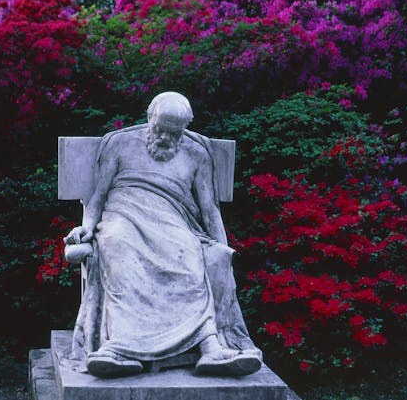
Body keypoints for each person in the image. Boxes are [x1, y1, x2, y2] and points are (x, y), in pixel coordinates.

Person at [64, 91, 261, 377]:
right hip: (124, 216)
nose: (167, 139)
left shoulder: (196, 153)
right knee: (119, 250)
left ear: (185, 128)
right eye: (161, 130)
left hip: (173, 222)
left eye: (175, 133)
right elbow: (98, 196)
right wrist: (87, 226)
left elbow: (209, 209)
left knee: (191, 257)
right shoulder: (120, 144)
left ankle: (210, 349)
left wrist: (223, 248)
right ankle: (118, 348)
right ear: (149, 118)